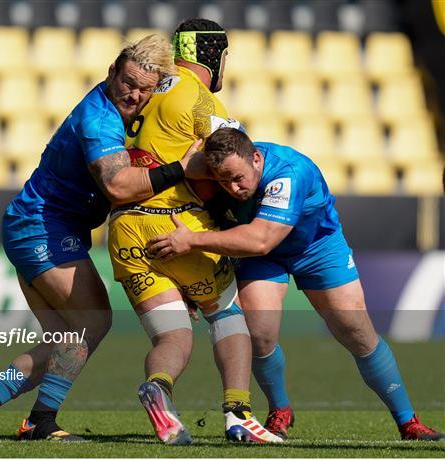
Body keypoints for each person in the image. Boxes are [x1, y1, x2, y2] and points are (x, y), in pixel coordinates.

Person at [0, 35, 200, 442]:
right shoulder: (99, 118)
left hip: (44, 225)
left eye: (144, 88)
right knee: (92, 321)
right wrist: (180, 168)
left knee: (65, 342)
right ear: (111, 72)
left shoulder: (128, 114)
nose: (133, 94)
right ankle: (40, 422)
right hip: (42, 226)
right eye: (127, 82)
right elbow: (118, 186)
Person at [147, 127, 445, 442]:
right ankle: (280, 411)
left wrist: (191, 241)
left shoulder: (288, 173)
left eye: (237, 178)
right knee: (259, 335)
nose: (232, 188)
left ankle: (408, 421)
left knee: (357, 332)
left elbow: (261, 240)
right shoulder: (216, 172)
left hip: (316, 247)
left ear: (257, 158)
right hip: (260, 254)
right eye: (222, 181)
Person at [108, 20, 281, 445]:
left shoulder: (140, 89)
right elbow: (233, 162)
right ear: (214, 57)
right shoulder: (201, 101)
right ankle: (238, 413)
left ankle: (159, 387)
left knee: (173, 335)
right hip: (176, 224)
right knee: (226, 315)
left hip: (125, 230)